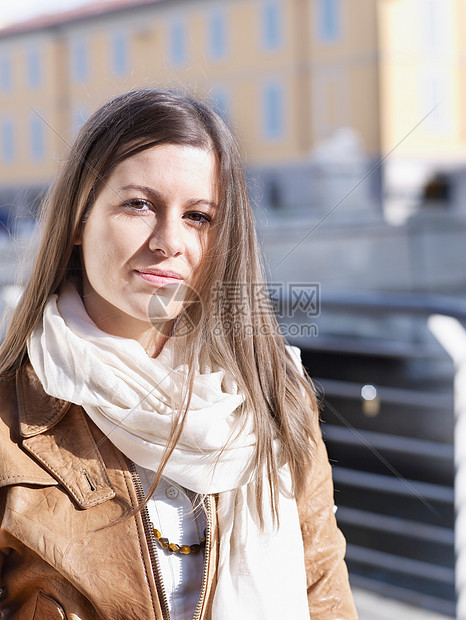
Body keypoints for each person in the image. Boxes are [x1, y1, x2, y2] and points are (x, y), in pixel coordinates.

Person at [0, 89, 357, 620]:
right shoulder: (10, 414)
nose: (169, 241)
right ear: (78, 220)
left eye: (199, 216)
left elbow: (324, 596)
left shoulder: (272, 394)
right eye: (139, 204)